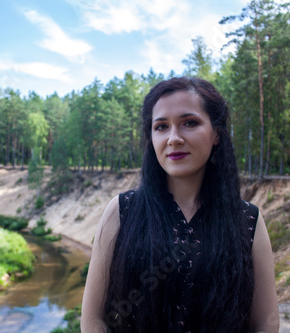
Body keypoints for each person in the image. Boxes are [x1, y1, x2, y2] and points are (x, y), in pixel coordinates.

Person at [81, 77, 279, 333]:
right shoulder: (121, 211)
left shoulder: (247, 220)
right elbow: (93, 319)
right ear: (151, 137)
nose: (173, 138)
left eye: (190, 123)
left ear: (216, 134)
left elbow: (266, 323)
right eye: (161, 127)